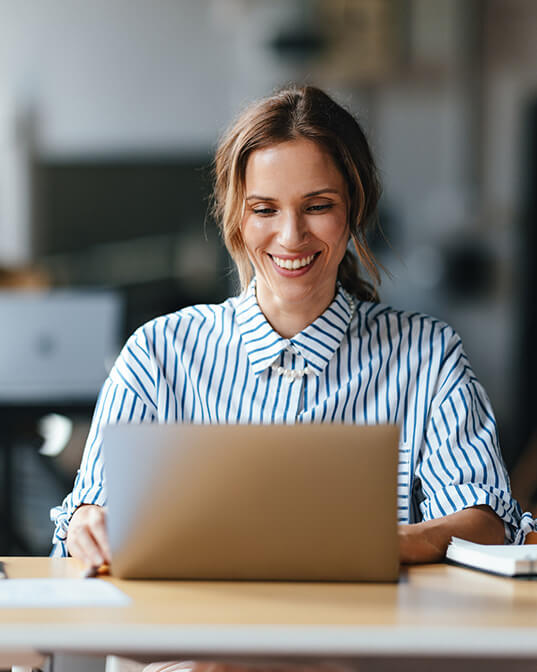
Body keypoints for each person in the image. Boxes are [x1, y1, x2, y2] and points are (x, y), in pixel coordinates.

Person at [51, 85, 535, 670]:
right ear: (236, 216)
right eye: (265, 209)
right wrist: (86, 523)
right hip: (194, 651)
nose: (290, 236)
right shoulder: (158, 353)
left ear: (353, 206)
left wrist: (388, 543)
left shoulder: (427, 355)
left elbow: (487, 520)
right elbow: (85, 519)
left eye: (318, 205)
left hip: (362, 657)